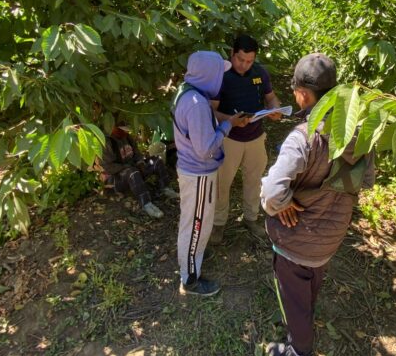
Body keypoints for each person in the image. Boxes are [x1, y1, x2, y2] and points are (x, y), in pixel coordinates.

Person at [260, 53, 375, 356]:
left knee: (293, 297)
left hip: (296, 239)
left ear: (302, 94)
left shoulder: (303, 137)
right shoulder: (358, 133)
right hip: (331, 235)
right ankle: (303, 326)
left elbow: (272, 193)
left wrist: (282, 204)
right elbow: (366, 180)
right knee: (309, 284)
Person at [173, 50, 250, 296]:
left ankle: (193, 255)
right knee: (196, 223)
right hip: (198, 174)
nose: (221, 78)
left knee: (195, 221)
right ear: (208, 75)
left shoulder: (187, 92)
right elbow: (206, 149)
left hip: (192, 170)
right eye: (219, 73)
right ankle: (190, 279)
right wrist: (228, 125)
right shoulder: (196, 104)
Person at [209, 35, 282, 244]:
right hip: (228, 138)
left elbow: (270, 97)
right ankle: (218, 223)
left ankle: (251, 218)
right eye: (240, 59)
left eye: (249, 61)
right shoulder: (221, 75)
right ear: (232, 53)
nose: (244, 65)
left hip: (255, 137)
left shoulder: (260, 72)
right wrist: (231, 121)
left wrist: (275, 109)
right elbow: (211, 111)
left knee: (254, 180)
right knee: (222, 183)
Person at [98, 126, 178, 219]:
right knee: (132, 172)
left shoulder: (127, 137)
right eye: (122, 130)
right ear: (114, 129)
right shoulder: (107, 142)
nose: (125, 132)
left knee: (157, 160)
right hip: (115, 179)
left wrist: (140, 162)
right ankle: (146, 204)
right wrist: (127, 167)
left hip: (132, 169)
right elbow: (108, 167)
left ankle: (165, 188)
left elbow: (137, 154)